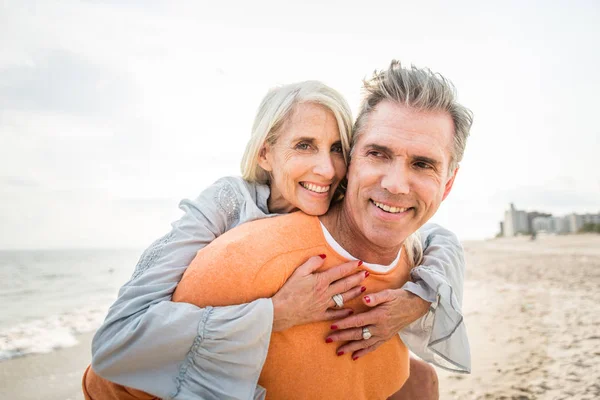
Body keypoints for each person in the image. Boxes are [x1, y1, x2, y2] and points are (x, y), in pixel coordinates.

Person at [86, 67, 470, 399]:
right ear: (265, 154)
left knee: (418, 379)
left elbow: (438, 238)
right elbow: (117, 340)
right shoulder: (224, 205)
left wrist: (420, 297)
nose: (325, 168)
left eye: (337, 148)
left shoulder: (352, 197)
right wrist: (275, 313)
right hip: (127, 384)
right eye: (304, 146)